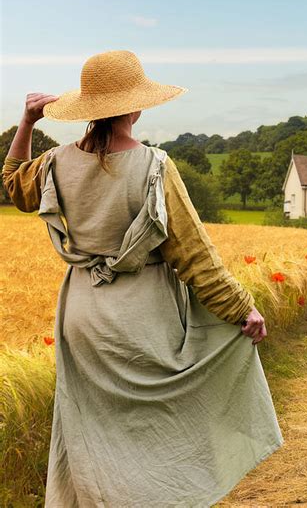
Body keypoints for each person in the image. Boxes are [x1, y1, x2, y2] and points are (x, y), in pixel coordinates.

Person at [2, 49, 284, 508]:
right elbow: (193, 256)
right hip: (143, 314)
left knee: (94, 433)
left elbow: (14, 186)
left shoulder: (55, 162)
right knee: (156, 437)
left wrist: (28, 122)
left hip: (82, 317)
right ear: (137, 107)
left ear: (88, 108)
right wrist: (241, 309)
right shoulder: (154, 166)